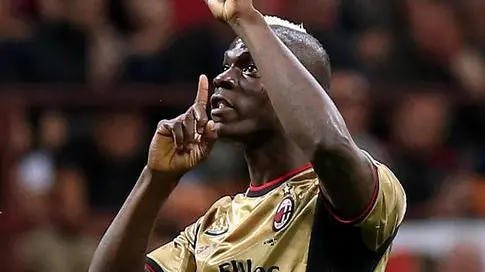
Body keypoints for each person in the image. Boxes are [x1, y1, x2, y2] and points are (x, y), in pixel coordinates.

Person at [88, 0, 406, 271]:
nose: (223, 79)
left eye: (250, 68)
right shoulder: (211, 227)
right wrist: (155, 180)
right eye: (226, 66)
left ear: (296, 88)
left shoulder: (359, 191)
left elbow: (327, 145)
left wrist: (248, 18)